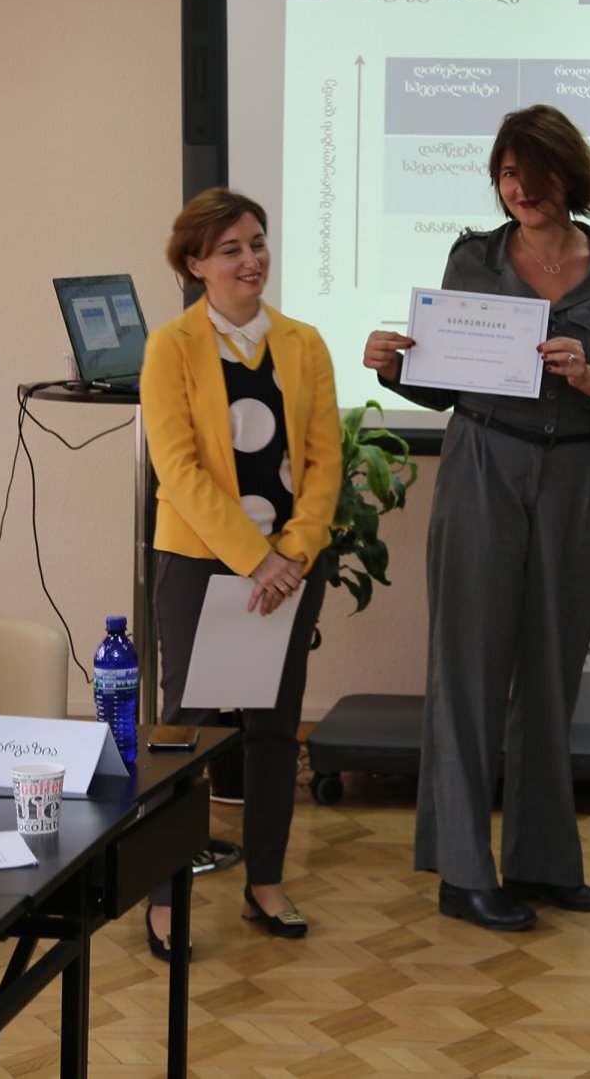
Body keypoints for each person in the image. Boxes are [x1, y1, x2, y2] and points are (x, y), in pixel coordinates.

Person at [363, 104, 590, 932]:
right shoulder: (474, 258)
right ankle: (463, 871)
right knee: (467, 668)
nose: (520, 189)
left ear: (570, 175)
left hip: (578, 475)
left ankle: (541, 860)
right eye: (506, 173)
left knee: (552, 673)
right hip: (484, 463)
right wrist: (394, 367)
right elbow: (442, 382)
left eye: (534, 173)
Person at [140, 188, 343, 956]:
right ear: (195, 264)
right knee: (183, 730)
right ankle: (164, 897)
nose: (251, 258)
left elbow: (325, 461)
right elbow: (178, 470)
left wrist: (292, 554)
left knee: (274, 726)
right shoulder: (171, 347)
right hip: (200, 563)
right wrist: (257, 559)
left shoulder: (304, 342)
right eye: (231, 249)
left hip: (290, 565)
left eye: (257, 242)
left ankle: (266, 881)